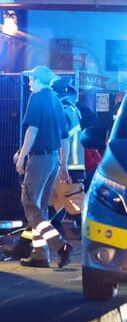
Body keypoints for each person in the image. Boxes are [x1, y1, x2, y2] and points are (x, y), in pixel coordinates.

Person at [15, 66, 72, 268]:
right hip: (54, 160)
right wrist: (63, 165)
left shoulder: (37, 99)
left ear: (38, 80)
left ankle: (60, 247)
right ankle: (40, 255)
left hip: (38, 159)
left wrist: (21, 158)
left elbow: (32, 130)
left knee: (30, 205)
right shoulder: (57, 101)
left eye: (31, 79)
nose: (29, 82)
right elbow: (65, 137)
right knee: (41, 209)